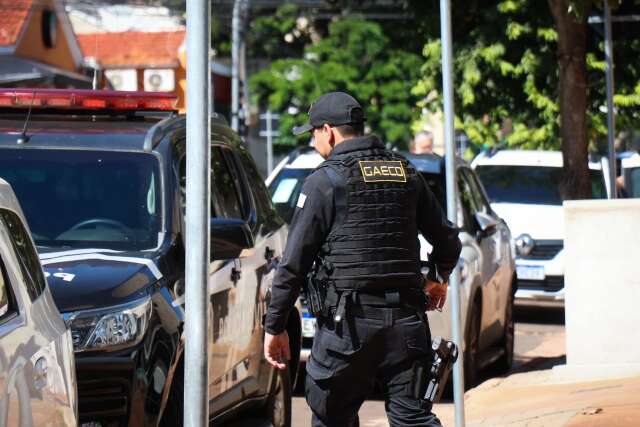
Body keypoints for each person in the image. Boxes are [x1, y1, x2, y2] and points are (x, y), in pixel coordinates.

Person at [263, 92, 461, 427]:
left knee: (333, 420)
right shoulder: (406, 173)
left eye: (313, 133)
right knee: (413, 420)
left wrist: (275, 326)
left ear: (328, 131)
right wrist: (437, 278)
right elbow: (448, 240)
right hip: (406, 325)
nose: (313, 143)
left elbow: (293, 264)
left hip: (348, 329)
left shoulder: (324, 182)